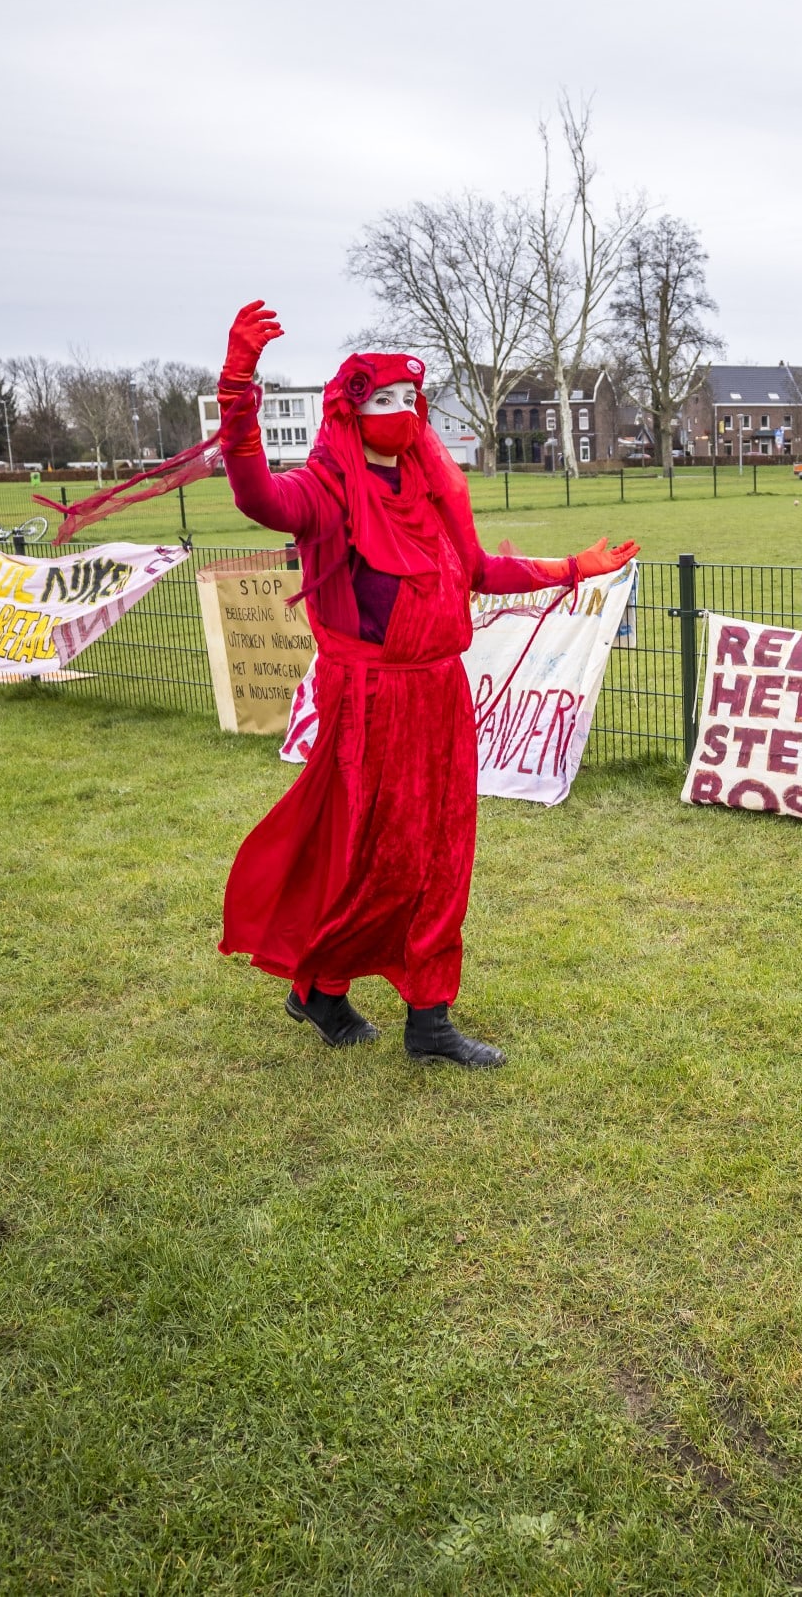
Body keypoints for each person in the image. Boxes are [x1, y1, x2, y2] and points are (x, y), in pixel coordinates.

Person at [212, 303, 636, 1068]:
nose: (401, 413)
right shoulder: (325, 489)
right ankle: (321, 985)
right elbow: (256, 498)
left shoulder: (432, 489)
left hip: (440, 696)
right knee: (373, 855)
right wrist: (239, 387)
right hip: (370, 702)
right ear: (350, 410)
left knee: (443, 852)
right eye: (383, 401)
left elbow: (477, 571)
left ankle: (429, 1019)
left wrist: (572, 567)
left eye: (410, 401)